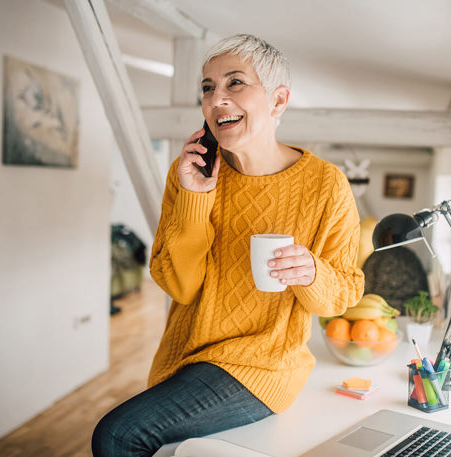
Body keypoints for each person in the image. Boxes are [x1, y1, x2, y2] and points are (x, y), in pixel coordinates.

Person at [91, 34, 365, 457]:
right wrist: (195, 197)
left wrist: (313, 273)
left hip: (261, 366)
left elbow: (345, 292)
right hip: (187, 360)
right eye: (207, 87)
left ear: (277, 101)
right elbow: (180, 287)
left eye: (235, 83)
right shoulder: (189, 173)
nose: (217, 98)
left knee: (118, 435)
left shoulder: (325, 185)